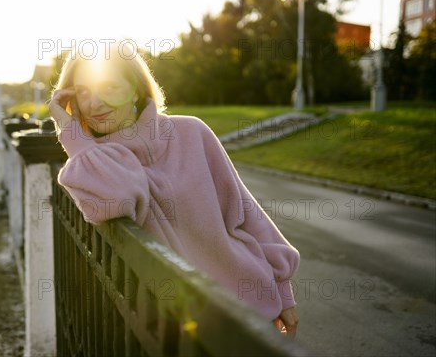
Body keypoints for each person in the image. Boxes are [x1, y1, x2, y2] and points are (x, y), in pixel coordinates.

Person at [48, 43, 300, 337]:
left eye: (109, 86)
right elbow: (115, 200)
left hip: (253, 311)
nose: (94, 103)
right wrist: (72, 135)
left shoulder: (191, 132)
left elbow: (247, 212)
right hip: (181, 332)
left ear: (137, 90)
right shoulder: (96, 163)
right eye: (83, 93)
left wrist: (283, 292)